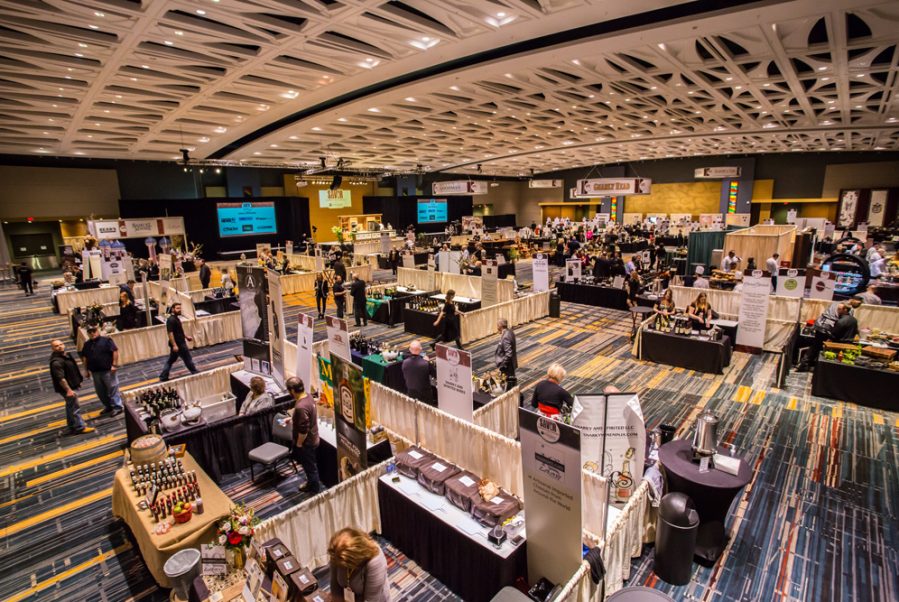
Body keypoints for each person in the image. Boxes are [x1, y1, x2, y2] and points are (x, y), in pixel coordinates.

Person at [327, 528, 391, 602]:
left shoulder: (375, 561)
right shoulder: (337, 552)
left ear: (356, 558)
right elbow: (335, 588)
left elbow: (370, 600)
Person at [49, 339, 94, 435]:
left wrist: (78, 381)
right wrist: (68, 390)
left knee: (70, 406)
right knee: (74, 407)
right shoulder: (56, 362)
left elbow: (73, 369)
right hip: (66, 388)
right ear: (52, 348)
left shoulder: (66, 355)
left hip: (72, 385)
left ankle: (73, 425)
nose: (60, 346)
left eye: (61, 344)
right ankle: (79, 427)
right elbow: (60, 378)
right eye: (56, 346)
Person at [287, 377, 321, 493]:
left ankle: (314, 490)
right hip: (314, 437)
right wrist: (292, 418)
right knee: (310, 465)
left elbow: (303, 431)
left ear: (292, 390)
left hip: (307, 442)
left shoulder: (300, 407)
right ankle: (311, 484)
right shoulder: (308, 396)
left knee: (310, 467)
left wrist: (299, 444)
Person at [79, 325, 124, 415]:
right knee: (100, 391)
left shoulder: (106, 340)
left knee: (112, 388)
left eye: (94, 331)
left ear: (98, 331)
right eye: (90, 332)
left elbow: (114, 351)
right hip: (95, 372)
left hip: (108, 370)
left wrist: (114, 365)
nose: (92, 333)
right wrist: (86, 370)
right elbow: (85, 357)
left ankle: (117, 407)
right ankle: (108, 406)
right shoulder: (87, 344)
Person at [159, 302, 198, 381]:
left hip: (179, 343)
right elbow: (170, 333)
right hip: (179, 344)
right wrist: (174, 345)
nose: (179, 310)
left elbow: (179, 331)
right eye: (177, 308)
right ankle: (194, 372)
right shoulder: (171, 320)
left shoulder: (176, 318)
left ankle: (163, 376)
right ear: (173, 309)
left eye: (180, 308)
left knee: (171, 360)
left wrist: (186, 337)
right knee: (187, 358)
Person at [494, 319, 517, 390]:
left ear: (500, 326)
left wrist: (502, 366)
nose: (497, 327)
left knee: (508, 383)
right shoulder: (510, 331)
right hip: (510, 364)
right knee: (511, 381)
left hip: (507, 366)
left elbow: (508, 354)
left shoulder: (506, 336)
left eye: (497, 325)